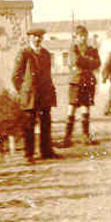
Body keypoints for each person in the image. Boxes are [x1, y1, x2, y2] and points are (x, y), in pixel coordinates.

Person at [12, 27, 58, 162]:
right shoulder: (24, 53)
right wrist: (23, 90)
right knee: (29, 125)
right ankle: (29, 154)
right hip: (30, 95)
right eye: (34, 36)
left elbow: (48, 74)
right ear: (29, 38)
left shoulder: (46, 54)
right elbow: (15, 76)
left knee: (46, 123)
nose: (37, 39)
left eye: (39, 36)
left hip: (44, 93)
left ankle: (46, 152)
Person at [62, 25, 101, 147]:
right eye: (80, 36)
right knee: (72, 107)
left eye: (85, 35)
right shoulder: (73, 48)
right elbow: (77, 61)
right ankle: (67, 137)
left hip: (88, 81)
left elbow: (97, 63)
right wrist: (89, 61)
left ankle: (85, 136)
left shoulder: (92, 49)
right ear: (76, 37)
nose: (83, 38)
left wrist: (86, 61)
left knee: (86, 107)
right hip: (76, 81)